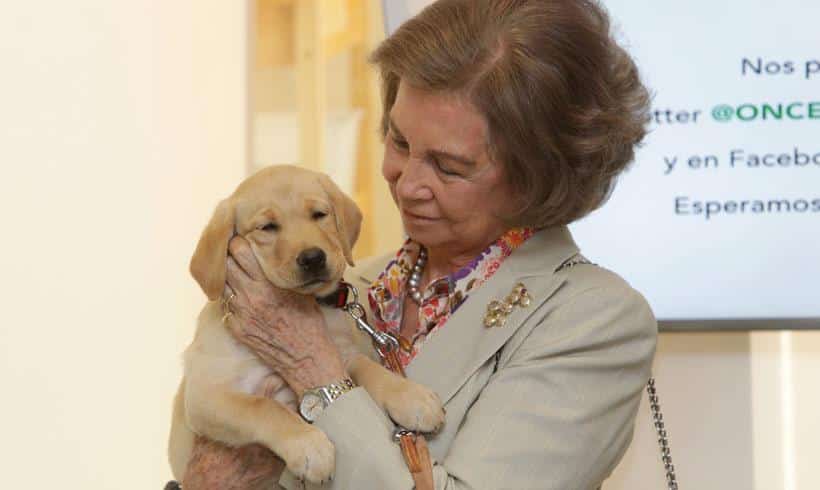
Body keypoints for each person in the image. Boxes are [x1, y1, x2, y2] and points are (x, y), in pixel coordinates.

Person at [182, 0, 657, 488]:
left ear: (537, 177)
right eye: (399, 142)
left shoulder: (592, 321)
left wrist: (314, 371)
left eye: (448, 166)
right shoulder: (350, 284)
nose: (407, 184)